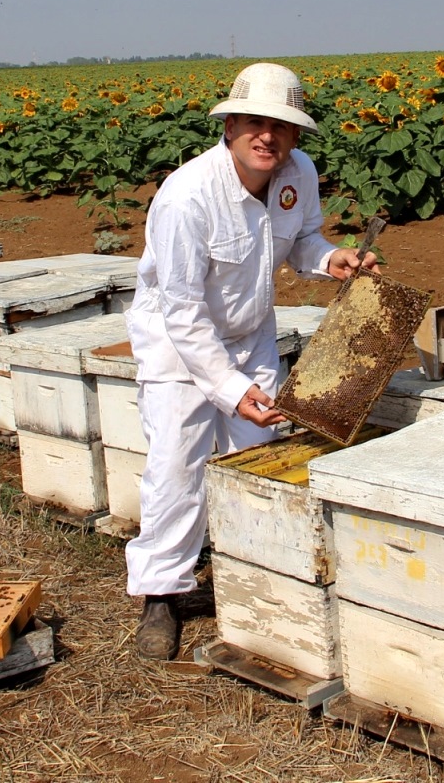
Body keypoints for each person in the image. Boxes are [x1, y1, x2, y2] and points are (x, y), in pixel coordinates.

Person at [123, 62, 376, 659]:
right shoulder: (187, 197)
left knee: (263, 459)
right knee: (177, 464)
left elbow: (304, 239)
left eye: (283, 126)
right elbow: (182, 310)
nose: (269, 136)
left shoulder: (299, 173)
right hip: (176, 343)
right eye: (256, 123)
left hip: (252, 333)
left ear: (296, 136)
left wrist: (331, 257)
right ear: (230, 124)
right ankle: (162, 593)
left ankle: (262, 576)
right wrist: (229, 389)